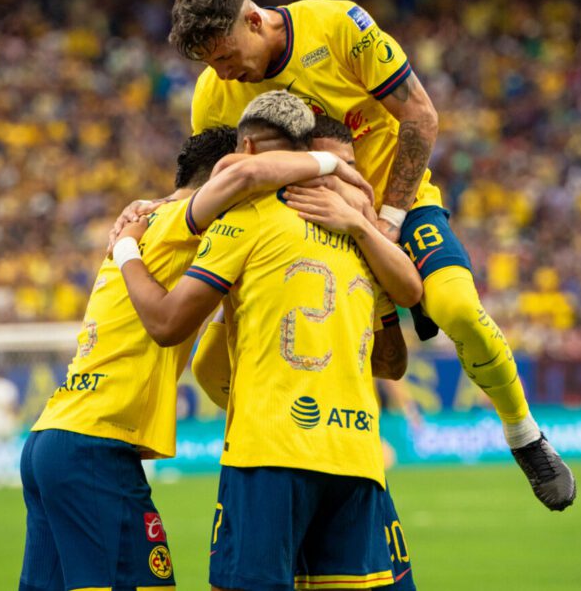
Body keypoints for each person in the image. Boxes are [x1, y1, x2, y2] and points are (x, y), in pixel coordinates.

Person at [166, 0, 575, 511]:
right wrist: (165, 207)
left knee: (455, 307)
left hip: (397, 207)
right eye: (210, 64)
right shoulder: (212, 93)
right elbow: (207, 180)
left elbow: (421, 118)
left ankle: (525, 436)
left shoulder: (338, 26)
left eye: (224, 56)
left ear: (253, 19)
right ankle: (294, 450)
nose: (223, 72)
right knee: (210, 366)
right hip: (301, 231)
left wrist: (386, 221)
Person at [20, 125, 367, 591]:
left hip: (53, 436)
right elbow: (244, 180)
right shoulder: (177, 224)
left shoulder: (145, 226)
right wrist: (333, 164)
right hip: (95, 444)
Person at [116, 91, 421, 591]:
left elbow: (170, 325)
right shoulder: (353, 225)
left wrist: (133, 240)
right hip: (355, 453)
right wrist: (364, 219)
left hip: (269, 453)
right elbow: (408, 300)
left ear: (249, 150)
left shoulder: (247, 216)